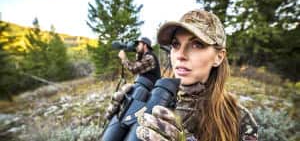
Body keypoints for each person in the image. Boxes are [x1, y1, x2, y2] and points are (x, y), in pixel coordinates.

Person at [105, 9, 258, 141]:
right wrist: (119, 121)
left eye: (197, 44)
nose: (180, 55)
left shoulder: (237, 118)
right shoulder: (154, 99)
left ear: (219, 57)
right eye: (175, 44)